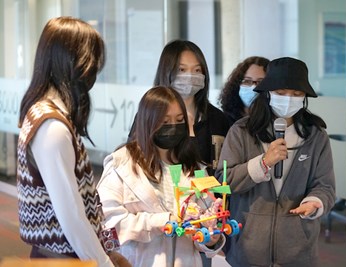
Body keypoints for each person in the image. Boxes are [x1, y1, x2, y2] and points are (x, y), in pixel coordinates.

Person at [16, 17, 130, 267]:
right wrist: (104, 263)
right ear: (72, 63)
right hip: (63, 259)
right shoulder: (51, 126)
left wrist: (106, 253)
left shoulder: (44, 114)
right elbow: (73, 218)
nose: (93, 74)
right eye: (90, 64)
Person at [215, 57, 336, 267]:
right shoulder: (241, 131)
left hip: (298, 251)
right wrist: (262, 163)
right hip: (247, 248)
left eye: (296, 94)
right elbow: (224, 181)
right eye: (281, 93)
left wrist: (314, 203)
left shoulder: (316, 135)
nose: (288, 99)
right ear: (268, 92)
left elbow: (325, 186)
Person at [97, 86, 225, 267]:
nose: (173, 127)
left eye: (179, 120)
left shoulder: (194, 167)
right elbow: (107, 224)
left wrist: (210, 237)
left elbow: (204, 227)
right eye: (165, 122)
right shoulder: (122, 164)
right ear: (148, 122)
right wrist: (163, 221)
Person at [148, 39, 230, 176]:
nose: (190, 76)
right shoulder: (151, 115)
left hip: (208, 196)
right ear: (166, 71)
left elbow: (224, 168)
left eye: (197, 70)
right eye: (182, 69)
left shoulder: (217, 118)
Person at [219, 56, 270, 125]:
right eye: (247, 81)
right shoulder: (222, 120)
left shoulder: (274, 121)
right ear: (237, 84)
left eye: (260, 82)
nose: (253, 87)